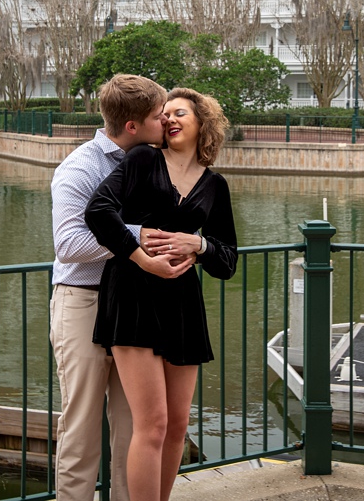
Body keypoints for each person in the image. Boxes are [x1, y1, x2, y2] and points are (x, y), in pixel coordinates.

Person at [85, 88, 239, 501]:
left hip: (183, 305)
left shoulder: (215, 186)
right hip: (133, 295)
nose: (169, 120)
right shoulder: (143, 160)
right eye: (164, 114)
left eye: (179, 113)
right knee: (151, 423)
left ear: (202, 123)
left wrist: (199, 245)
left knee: (176, 425)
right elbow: (98, 211)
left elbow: (227, 261)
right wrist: (140, 257)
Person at [50, 74, 189, 501]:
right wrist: (139, 237)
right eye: (156, 116)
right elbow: (69, 244)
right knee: (82, 428)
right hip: (85, 302)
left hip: (135, 306)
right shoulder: (81, 166)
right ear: (132, 126)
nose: (165, 121)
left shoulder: (156, 160)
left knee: (138, 429)